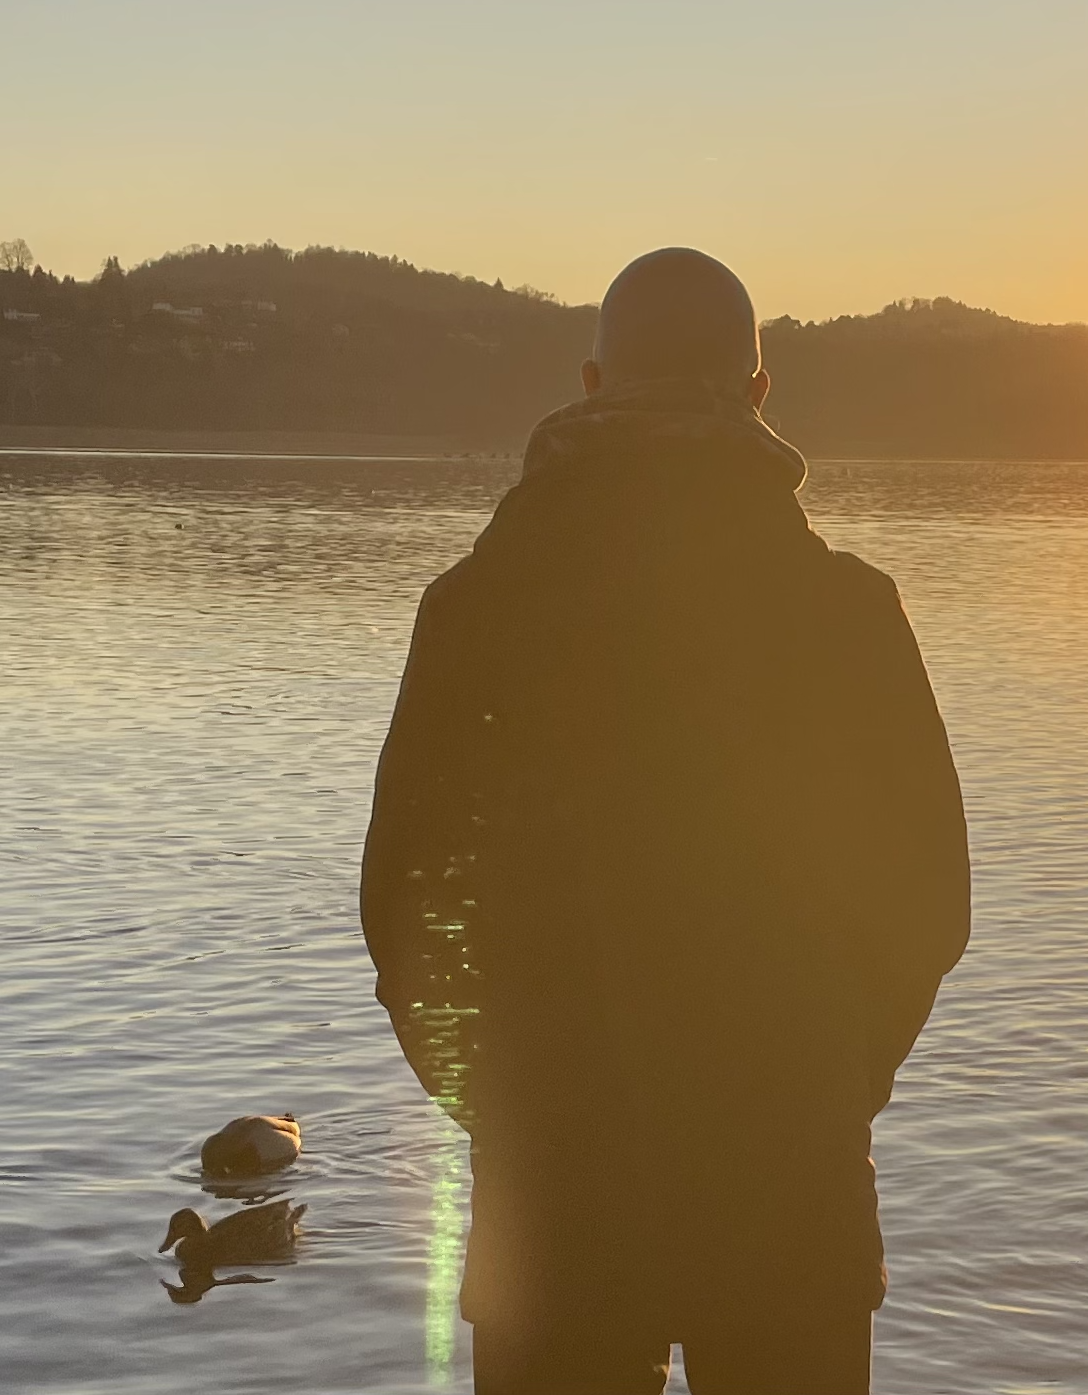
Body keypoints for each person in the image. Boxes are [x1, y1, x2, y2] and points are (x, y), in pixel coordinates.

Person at [360, 247, 970, 1394]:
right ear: (756, 395)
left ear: (591, 387)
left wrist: (504, 1104)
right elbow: (927, 902)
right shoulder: (845, 616)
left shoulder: (473, 612)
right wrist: (829, 1084)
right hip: (790, 1188)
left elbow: (404, 915)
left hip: (553, 1199)